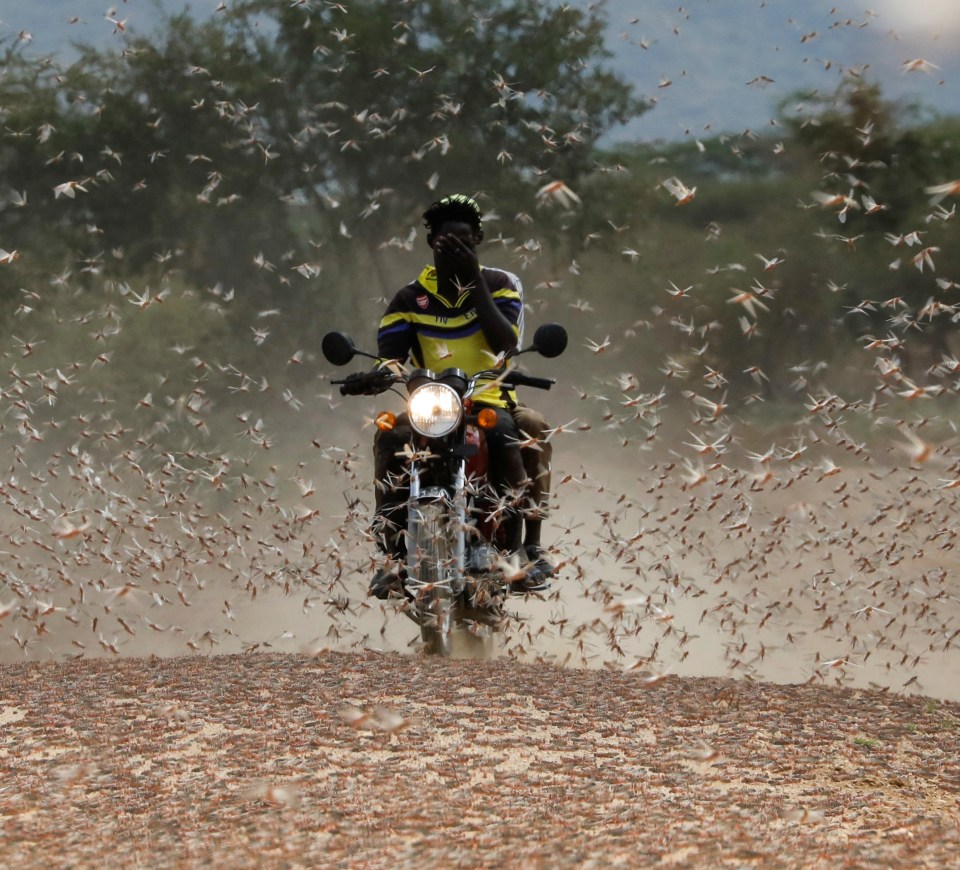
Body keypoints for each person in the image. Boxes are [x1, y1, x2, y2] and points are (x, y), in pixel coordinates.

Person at [369, 194, 554, 598]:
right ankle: (391, 557)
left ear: (479, 241)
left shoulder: (500, 285)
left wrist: (472, 279)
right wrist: (375, 375)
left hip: (490, 399)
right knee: (390, 437)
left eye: (465, 242)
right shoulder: (408, 298)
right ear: (431, 243)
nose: (455, 249)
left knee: (519, 431)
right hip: (431, 406)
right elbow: (391, 359)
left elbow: (505, 340)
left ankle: (528, 548)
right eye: (446, 243)